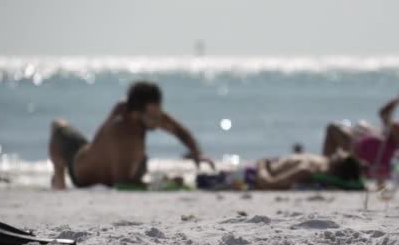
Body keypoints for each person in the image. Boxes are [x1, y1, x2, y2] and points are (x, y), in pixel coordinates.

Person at [48, 81, 214, 189]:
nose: (159, 121)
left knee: (142, 160)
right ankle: (59, 180)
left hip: (105, 158)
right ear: (136, 114)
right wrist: (167, 183)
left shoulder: (130, 110)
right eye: (153, 117)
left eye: (159, 113)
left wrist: (197, 153)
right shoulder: (124, 136)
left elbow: (177, 130)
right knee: (58, 126)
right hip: (81, 173)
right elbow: (122, 184)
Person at [322, 92, 399, 162]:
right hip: (368, 148)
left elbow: (383, 112)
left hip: (363, 152)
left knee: (332, 127)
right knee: (361, 124)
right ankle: (332, 162)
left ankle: (326, 164)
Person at [253, 150, 361, 190]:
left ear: (338, 164)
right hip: (266, 165)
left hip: (253, 173)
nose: (339, 150)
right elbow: (332, 129)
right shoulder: (324, 161)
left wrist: (261, 165)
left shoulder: (306, 170)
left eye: (342, 154)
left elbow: (269, 184)